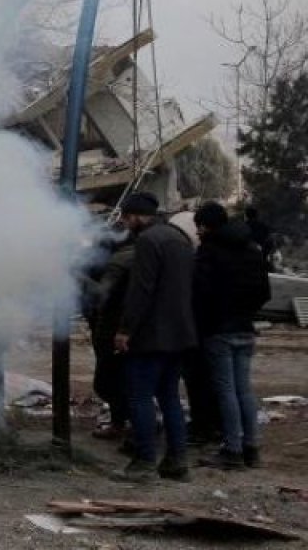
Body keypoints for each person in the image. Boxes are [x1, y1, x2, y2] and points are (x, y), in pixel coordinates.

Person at [114, 192, 197, 482]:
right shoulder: (179, 238)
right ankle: (177, 462)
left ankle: (144, 462)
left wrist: (125, 329)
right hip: (180, 332)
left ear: (137, 216)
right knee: (170, 397)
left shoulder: (148, 241)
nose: (125, 223)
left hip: (152, 334)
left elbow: (141, 290)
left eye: (126, 217)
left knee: (140, 396)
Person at [192, 203, 271, 470]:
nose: (198, 231)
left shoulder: (209, 250)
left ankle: (232, 450)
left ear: (206, 226)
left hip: (218, 330)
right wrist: (245, 312)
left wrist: (207, 318)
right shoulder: (252, 249)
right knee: (244, 390)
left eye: (199, 226)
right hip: (245, 327)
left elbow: (200, 292)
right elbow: (264, 291)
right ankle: (252, 448)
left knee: (225, 391)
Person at [90, 233, 135, 443]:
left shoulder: (118, 263)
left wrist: (77, 279)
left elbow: (103, 295)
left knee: (107, 381)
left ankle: (128, 426)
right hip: (124, 329)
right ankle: (127, 423)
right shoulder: (137, 258)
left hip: (114, 330)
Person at [245, 206, 275, 271]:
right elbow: (269, 240)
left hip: (250, 251)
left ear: (246, 215)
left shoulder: (243, 225)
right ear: (256, 215)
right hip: (259, 251)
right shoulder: (263, 226)